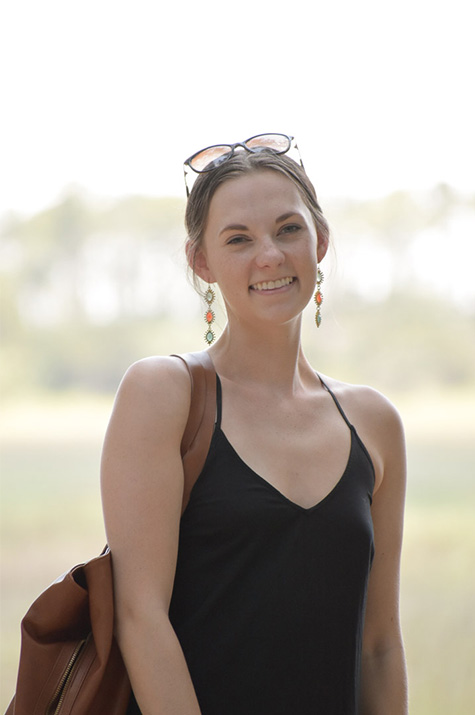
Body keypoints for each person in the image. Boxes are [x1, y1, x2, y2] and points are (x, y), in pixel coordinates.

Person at [101, 134, 408, 714]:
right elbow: (140, 617)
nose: (269, 254)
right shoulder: (163, 393)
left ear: (319, 241)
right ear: (201, 260)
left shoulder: (374, 422)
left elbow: (379, 646)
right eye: (238, 239)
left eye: (288, 229)